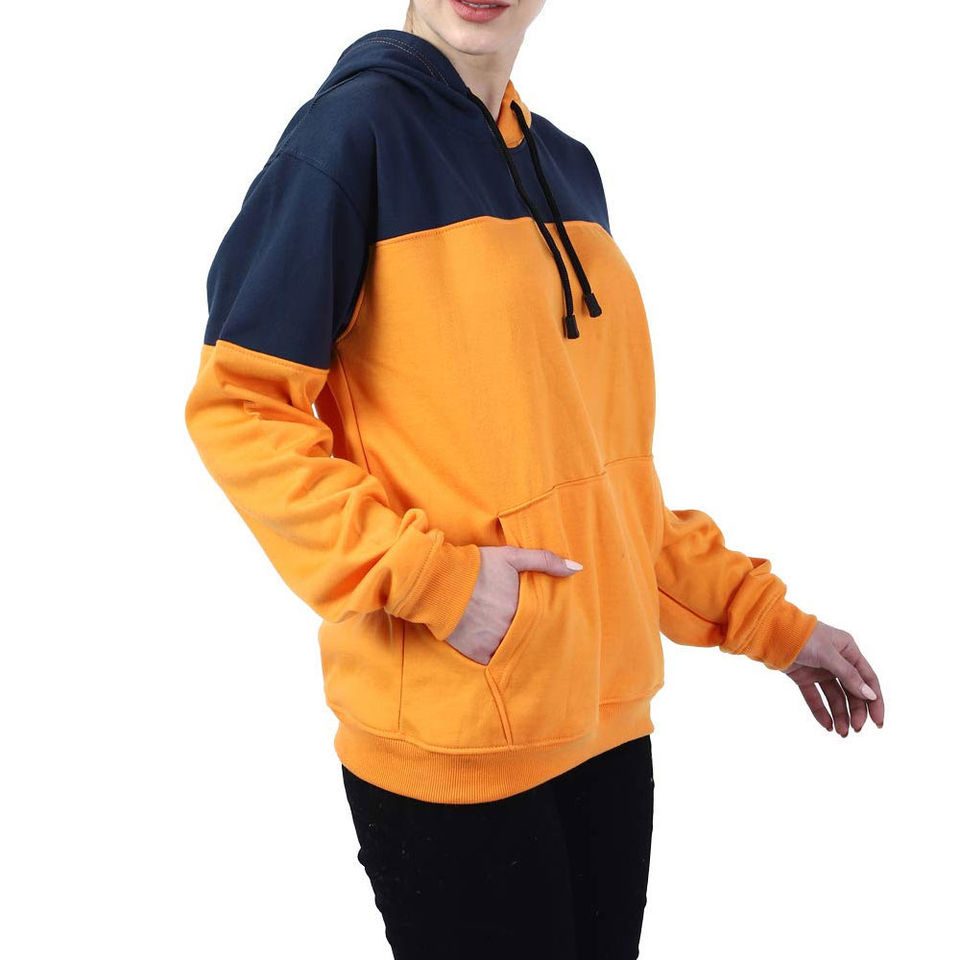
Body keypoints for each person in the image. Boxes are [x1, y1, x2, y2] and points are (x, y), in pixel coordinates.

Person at [184, 2, 885, 957]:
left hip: (605, 732)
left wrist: (775, 626)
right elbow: (240, 409)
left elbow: (609, 489)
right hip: (454, 744)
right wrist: (438, 583)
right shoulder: (347, 141)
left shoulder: (567, 168)